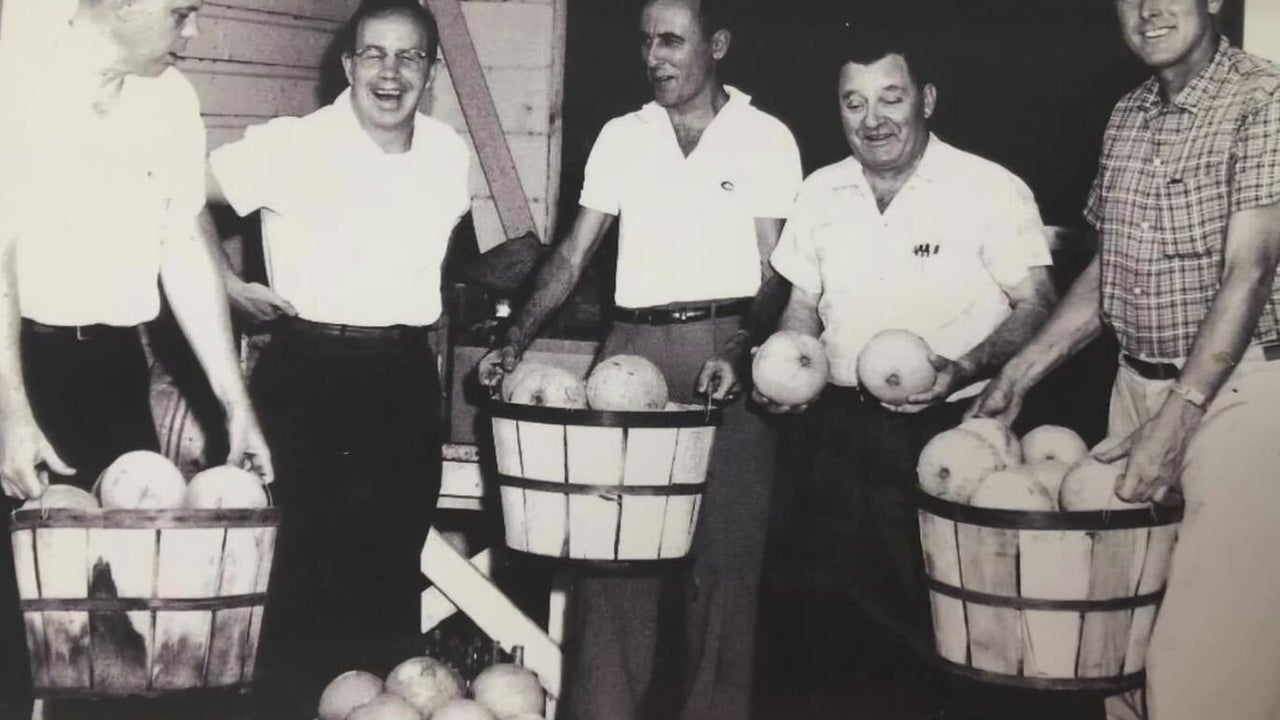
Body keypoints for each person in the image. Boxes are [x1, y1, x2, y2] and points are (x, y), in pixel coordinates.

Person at [477, 1, 801, 718]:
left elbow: (775, 270)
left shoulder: (765, 137)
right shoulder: (623, 136)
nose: (654, 56)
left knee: (725, 564)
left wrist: (742, 349)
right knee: (613, 553)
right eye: (646, 40)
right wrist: (514, 339)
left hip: (726, 347)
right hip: (630, 353)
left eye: (672, 40)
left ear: (717, 44)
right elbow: (572, 255)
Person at [972, 0, 1280, 717]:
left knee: (1200, 661)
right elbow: (1108, 272)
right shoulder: (1127, 114)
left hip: (1239, 400)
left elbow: (1251, 271)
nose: (1147, 10)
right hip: (1136, 389)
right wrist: (1020, 373)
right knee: (1120, 650)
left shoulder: (1264, 99)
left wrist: (1177, 418)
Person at [759, 35, 1057, 715]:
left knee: (943, 627)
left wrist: (963, 367)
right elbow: (801, 306)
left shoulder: (987, 187)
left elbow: (1036, 303)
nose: (873, 120)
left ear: (926, 100)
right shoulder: (821, 190)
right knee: (821, 628)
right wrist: (784, 371)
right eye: (854, 103)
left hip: (946, 431)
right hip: (831, 434)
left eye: (890, 98)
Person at [0, 0, 273, 712]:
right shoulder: (16, 81)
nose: (194, 31)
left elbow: (182, 248)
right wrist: (12, 413)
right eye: (181, 12)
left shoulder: (168, 100)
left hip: (112, 371)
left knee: (116, 631)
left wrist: (234, 403)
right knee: (14, 628)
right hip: (13, 364)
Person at [205, 0, 469, 714]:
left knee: (390, 570)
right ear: (348, 65)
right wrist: (226, 284)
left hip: (403, 380)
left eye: (409, 56)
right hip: (308, 377)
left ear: (431, 71)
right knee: (298, 578)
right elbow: (183, 193)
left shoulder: (448, 152)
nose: (391, 72)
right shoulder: (294, 143)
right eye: (373, 54)